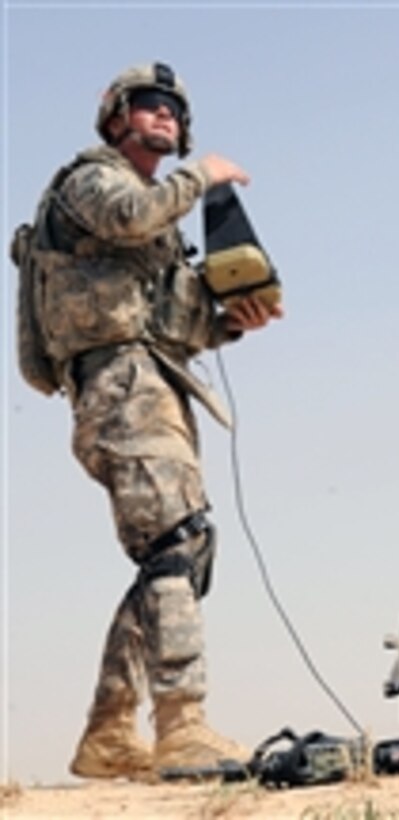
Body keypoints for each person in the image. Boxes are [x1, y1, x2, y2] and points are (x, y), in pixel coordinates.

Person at [19, 62, 282, 779]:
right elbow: (130, 216)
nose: (164, 114)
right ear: (116, 117)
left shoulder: (152, 221)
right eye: (149, 104)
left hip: (152, 380)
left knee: (182, 550)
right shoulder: (91, 182)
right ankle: (181, 724)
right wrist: (203, 177)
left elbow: (180, 319)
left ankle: (108, 733)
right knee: (175, 541)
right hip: (116, 384)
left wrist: (234, 321)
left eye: (173, 108)